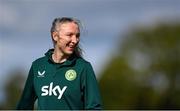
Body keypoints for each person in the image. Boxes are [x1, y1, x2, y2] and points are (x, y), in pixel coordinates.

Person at [16, 17, 102, 110]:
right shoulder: (38, 66)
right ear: (55, 36)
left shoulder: (83, 68)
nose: (75, 40)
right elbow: (24, 106)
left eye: (77, 35)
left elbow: (94, 108)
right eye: (70, 35)